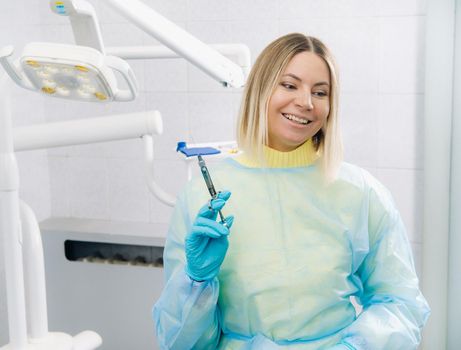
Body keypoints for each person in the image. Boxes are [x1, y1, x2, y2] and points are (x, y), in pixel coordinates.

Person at [153, 33, 430, 349]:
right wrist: (196, 283)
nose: (306, 102)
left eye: (320, 92)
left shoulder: (361, 193)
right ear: (261, 90)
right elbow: (180, 343)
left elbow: (400, 302)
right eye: (289, 85)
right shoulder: (202, 198)